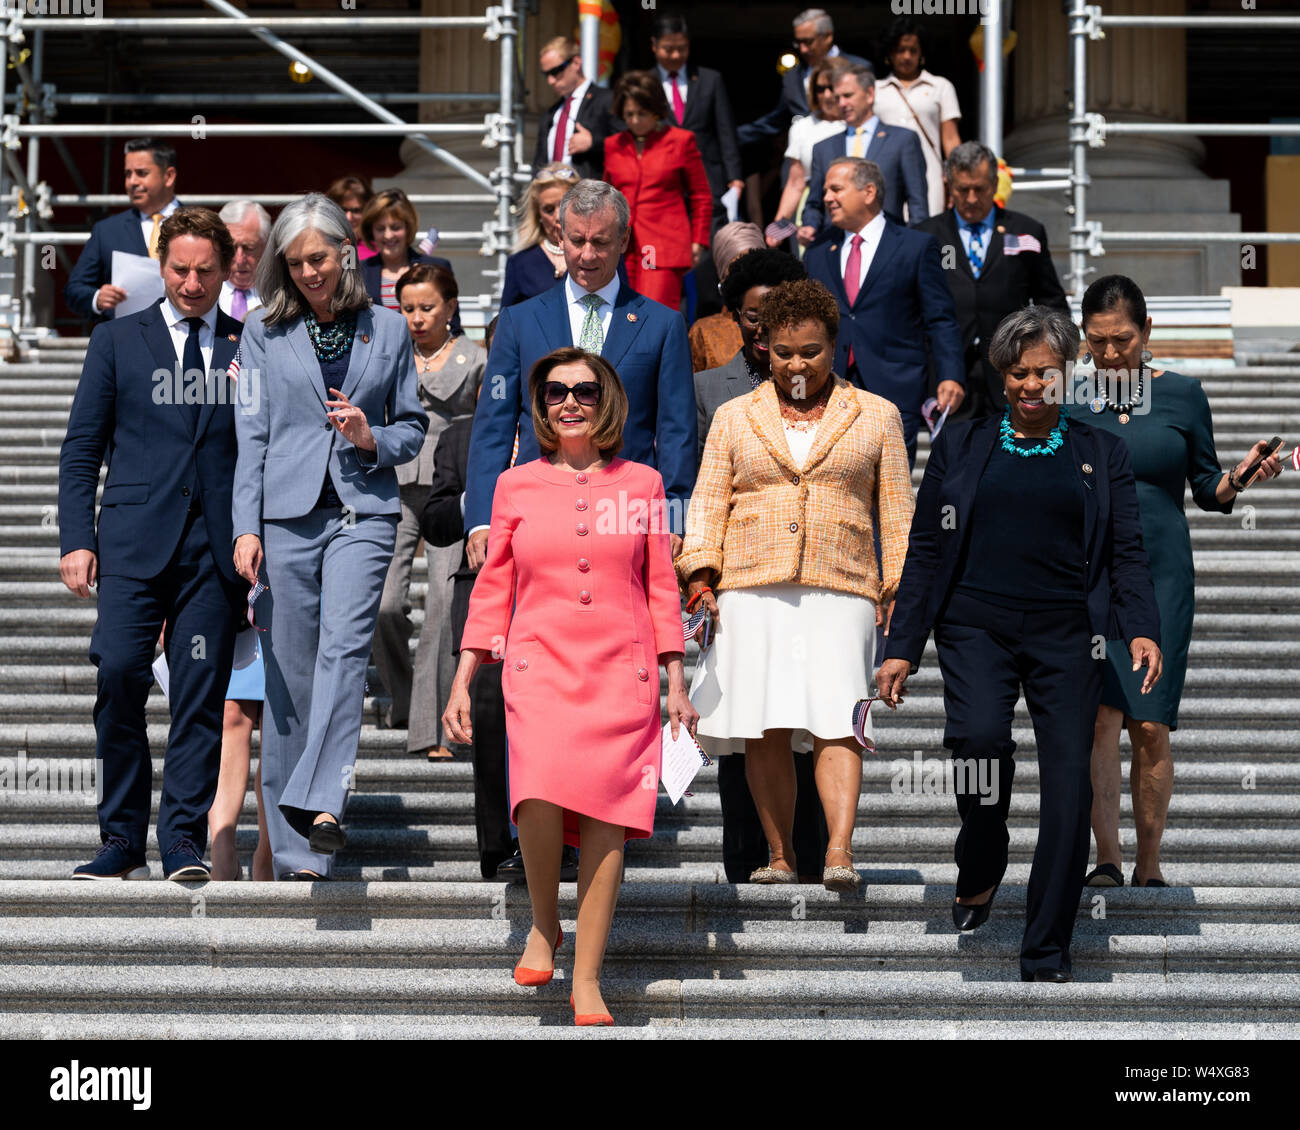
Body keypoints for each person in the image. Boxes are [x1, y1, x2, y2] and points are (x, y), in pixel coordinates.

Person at [877, 306, 1163, 983]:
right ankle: (982, 854)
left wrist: (1142, 626)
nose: (1031, 385)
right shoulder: (960, 444)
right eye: (1017, 372)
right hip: (977, 625)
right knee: (979, 742)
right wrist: (901, 644)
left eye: (1045, 373)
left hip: (1070, 635)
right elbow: (924, 550)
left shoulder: (1102, 451)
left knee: (1068, 787)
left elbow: (1126, 549)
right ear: (999, 375)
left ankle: (1045, 948)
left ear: (1069, 375)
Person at [444, 347, 696, 1026]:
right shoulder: (514, 485)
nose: (570, 403)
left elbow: (660, 584)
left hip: (623, 667)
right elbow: (494, 586)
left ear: (607, 399)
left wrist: (677, 680)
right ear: (541, 405)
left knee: (609, 822)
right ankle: (543, 923)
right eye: (556, 392)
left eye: (585, 391)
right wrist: (464, 679)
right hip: (539, 665)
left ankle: (588, 976)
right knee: (536, 796)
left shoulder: (644, 483)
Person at [679, 279, 913, 892]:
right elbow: (707, 504)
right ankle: (780, 855)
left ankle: (838, 849)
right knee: (765, 722)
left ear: (834, 346)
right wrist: (700, 575)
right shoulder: (734, 417)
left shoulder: (878, 415)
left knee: (840, 715)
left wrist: (898, 592)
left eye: (809, 350)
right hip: (750, 587)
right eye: (783, 351)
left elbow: (896, 511)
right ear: (764, 348)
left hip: (844, 585)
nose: (796, 363)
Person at [231, 193, 426, 881]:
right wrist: (244, 529)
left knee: (345, 652)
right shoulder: (262, 331)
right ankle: (294, 855)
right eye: (296, 262)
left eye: (319, 257)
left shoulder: (391, 329)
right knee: (288, 682)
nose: (310, 272)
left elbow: (412, 426)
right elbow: (250, 433)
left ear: (346, 250)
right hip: (284, 517)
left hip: (363, 510)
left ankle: (321, 804)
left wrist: (371, 437)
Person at [58, 207, 245, 880]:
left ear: (227, 270)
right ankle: (121, 839)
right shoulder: (116, 341)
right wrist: (77, 538)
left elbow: (262, 453)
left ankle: (183, 842)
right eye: (179, 269)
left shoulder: (246, 345)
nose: (191, 284)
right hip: (133, 544)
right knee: (117, 677)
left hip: (213, 552)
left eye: (205, 271)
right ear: (160, 265)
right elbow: (82, 450)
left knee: (199, 694)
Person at [1081, 275, 1283, 889]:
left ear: (1148, 333)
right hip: (1092, 574)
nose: (1111, 353)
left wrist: (1242, 476)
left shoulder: (1185, 395)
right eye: (1097, 342)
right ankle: (1107, 861)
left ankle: (1149, 862)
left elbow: (1206, 489)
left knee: (1149, 722)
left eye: (1122, 339)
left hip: (1162, 570)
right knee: (1100, 720)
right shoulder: (1067, 400)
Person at [463, 179, 696, 567]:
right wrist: (481, 520)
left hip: (626, 515)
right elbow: (493, 426)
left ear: (624, 240)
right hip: (536, 510)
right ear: (559, 236)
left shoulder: (663, 325)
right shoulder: (518, 322)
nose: (587, 255)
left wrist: (674, 520)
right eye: (577, 241)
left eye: (601, 243)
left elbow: (676, 431)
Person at [372, 264, 483, 759]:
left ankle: (435, 729)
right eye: (407, 308)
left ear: (452, 307)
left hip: (449, 488)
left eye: (427, 307)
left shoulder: (475, 359)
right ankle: (402, 699)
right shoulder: (387, 354)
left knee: (441, 606)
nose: (416, 318)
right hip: (390, 483)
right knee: (383, 604)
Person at [802, 157, 963, 461]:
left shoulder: (917, 247)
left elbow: (940, 320)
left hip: (895, 389)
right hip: (829, 392)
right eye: (825, 191)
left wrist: (950, 375)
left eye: (836, 189)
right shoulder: (818, 252)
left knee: (890, 495)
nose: (826, 198)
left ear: (868, 192)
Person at [915, 141, 1068, 420]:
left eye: (980, 189)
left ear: (994, 184)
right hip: (947, 377)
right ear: (949, 185)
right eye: (963, 189)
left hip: (1014, 374)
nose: (972, 198)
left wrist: (1052, 359)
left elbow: (1052, 301)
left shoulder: (1026, 232)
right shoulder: (927, 236)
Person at [603, 70, 713, 311]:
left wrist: (699, 241)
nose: (634, 120)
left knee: (653, 312)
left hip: (662, 245)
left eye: (641, 114)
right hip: (621, 246)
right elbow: (606, 196)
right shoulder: (613, 145)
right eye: (628, 114)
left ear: (656, 111)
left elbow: (701, 195)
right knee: (619, 313)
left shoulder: (681, 141)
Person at [694, 247, 807, 462]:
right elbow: (695, 470)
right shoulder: (703, 388)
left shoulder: (811, 382)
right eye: (753, 318)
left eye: (776, 318)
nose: (762, 329)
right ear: (737, 316)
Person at [801, 63, 928, 238]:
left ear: (869, 94)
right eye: (838, 98)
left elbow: (917, 203)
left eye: (848, 95)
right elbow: (814, 203)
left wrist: (914, 245)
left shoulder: (903, 140)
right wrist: (810, 226)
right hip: (836, 246)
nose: (842, 103)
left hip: (888, 244)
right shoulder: (823, 148)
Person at [64, 138, 181, 322]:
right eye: (128, 174)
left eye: (141, 173)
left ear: (169, 176)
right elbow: (74, 290)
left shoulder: (201, 225)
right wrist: (97, 298)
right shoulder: (107, 230)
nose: (132, 182)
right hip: (125, 343)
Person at [649, 11, 744, 227]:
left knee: (709, 244)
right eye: (668, 49)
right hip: (663, 182)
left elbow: (726, 132)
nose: (675, 55)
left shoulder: (710, 80)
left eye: (681, 49)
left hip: (708, 179)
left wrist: (735, 178)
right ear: (654, 45)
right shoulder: (646, 83)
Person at [873, 17, 962, 219]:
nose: (906, 56)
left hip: (929, 174)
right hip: (883, 174)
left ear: (921, 52)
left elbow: (950, 139)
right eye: (900, 50)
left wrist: (957, 179)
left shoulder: (941, 87)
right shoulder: (874, 90)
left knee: (926, 229)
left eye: (913, 50)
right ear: (889, 53)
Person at [738, 8, 868, 146]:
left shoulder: (859, 68)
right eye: (798, 43)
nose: (802, 49)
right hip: (802, 154)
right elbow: (776, 120)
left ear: (828, 36)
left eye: (808, 42)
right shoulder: (792, 76)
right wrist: (728, 137)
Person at [767, 57, 850, 247]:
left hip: (852, 213)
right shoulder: (802, 128)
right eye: (820, 89)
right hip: (810, 217)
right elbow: (795, 183)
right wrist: (779, 225)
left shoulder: (858, 126)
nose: (827, 95)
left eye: (832, 87)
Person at [358, 188, 457, 323]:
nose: (388, 235)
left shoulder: (437, 267)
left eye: (395, 227)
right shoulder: (358, 272)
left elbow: (454, 325)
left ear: (408, 228)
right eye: (380, 229)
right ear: (371, 232)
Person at [532, 37, 622, 181]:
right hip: (553, 196)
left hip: (589, 196)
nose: (551, 80)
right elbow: (539, 163)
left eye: (556, 71)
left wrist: (595, 143)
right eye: (546, 75)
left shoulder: (606, 100)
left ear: (576, 63)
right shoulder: (551, 113)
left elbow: (628, 144)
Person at [688, 222, 767, 373]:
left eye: (756, 266)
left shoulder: (783, 323)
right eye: (737, 270)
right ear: (723, 278)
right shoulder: (704, 331)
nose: (747, 277)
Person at [501, 163, 581, 308]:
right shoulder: (519, 263)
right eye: (549, 209)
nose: (558, 216)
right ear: (538, 215)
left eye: (565, 206)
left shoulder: (604, 254)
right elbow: (505, 324)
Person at [217, 200, 271, 322]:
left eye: (249, 248)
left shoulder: (280, 292)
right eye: (232, 247)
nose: (240, 259)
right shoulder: (203, 290)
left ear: (266, 245)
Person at [327, 174, 377, 260]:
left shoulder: (383, 247)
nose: (349, 217)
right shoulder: (320, 245)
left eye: (356, 210)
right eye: (343, 210)